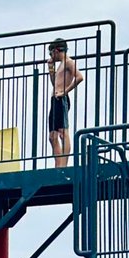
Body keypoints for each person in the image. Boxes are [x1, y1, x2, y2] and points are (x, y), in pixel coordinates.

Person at [47, 38, 85, 168]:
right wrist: (50, 68)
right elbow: (54, 83)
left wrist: (65, 91)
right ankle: (59, 164)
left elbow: (79, 77)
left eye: (51, 53)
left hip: (61, 99)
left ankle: (63, 165)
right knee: (52, 136)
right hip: (55, 98)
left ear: (56, 51)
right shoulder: (60, 64)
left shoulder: (69, 62)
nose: (51, 56)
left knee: (63, 132)